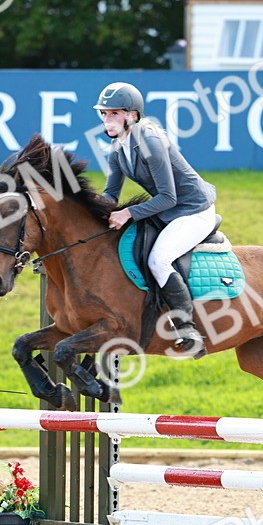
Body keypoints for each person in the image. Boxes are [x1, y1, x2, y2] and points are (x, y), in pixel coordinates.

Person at [96, 81, 217, 358]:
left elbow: (168, 197)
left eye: (114, 113)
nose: (107, 119)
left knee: (158, 259)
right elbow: (110, 194)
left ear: (132, 115)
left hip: (194, 210)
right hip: (169, 212)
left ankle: (187, 329)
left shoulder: (150, 142)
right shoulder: (118, 147)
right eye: (103, 113)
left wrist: (127, 213)